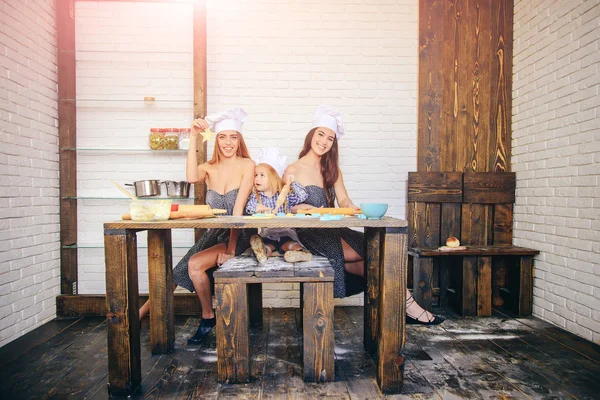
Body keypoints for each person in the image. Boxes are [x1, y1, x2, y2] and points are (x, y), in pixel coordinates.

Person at [283, 105, 444, 325]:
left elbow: (345, 201)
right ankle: (408, 309)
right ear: (311, 135)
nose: (324, 141)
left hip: (335, 229)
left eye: (330, 138)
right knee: (372, 256)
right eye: (320, 134)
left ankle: (403, 309)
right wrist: (298, 207)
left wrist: (357, 209)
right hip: (310, 233)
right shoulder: (292, 169)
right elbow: (285, 207)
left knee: (379, 252)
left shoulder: (332, 170)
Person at [139, 108, 257, 344]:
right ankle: (139, 315)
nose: (228, 143)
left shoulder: (247, 164)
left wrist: (231, 249)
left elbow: (238, 212)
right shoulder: (209, 168)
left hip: (240, 232)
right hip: (214, 233)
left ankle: (206, 317)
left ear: (240, 140)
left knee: (193, 265)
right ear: (216, 139)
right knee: (178, 272)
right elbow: (192, 177)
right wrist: (192, 134)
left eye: (233, 137)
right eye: (223, 137)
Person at [245, 148, 312, 263]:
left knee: (289, 243)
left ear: (273, 178)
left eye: (262, 175)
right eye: (255, 175)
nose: (257, 178)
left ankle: (298, 252)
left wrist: (291, 182)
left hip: (285, 230)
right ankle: (263, 252)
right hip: (268, 233)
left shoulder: (284, 197)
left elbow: (303, 195)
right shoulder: (257, 197)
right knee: (268, 244)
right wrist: (257, 208)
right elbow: (249, 208)